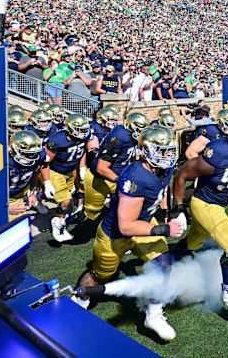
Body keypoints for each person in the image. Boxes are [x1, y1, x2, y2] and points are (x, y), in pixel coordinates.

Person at [71, 126, 184, 340]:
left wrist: (169, 211)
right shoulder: (136, 177)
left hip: (144, 223)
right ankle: (81, 299)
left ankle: (153, 314)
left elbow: (163, 188)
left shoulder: (163, 167)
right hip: (117, 234)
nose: (167, 156)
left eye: (169, 150)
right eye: (161, 151)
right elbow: (126, 226)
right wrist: (164, 229)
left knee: (164, 265)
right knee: (99, 277)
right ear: (146, 151)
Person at [171, 120, 228, 318]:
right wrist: (178, 209)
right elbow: (181, 175)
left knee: (195, 241)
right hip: (204, 203)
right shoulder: (218, 152)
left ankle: (176, 253)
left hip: (218, 205)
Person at [82, 113, 149, 223]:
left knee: (130, 207)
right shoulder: (119, 137)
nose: (141, 133)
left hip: (117, 176)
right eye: (138, 129)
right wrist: (121, 181)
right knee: (89, 215)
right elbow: (101, 168)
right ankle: (62, 222)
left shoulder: (131, 136)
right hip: (99, 178)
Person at [41, 114, 94, 242]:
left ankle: (61, 222)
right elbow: (45, 162)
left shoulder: (84, 136)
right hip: (56, 171)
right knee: (65, 201)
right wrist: (47, 182)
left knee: (67, 200)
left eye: (84, 129)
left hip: (70, 171)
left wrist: (81, 167)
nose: (82, 133)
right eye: (79, 129)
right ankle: (57, 224)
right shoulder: (58, 140)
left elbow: (82, 151)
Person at [7, 131, 46, 222]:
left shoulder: (37, 157)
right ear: (13, 149)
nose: (29, 157)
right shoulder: (4, 162)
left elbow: (34, 173)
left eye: (32, 153)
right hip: (0, 199)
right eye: (25, 153)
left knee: (18, 227)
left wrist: (32, 192)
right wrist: (4, 208)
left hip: (18, 196)